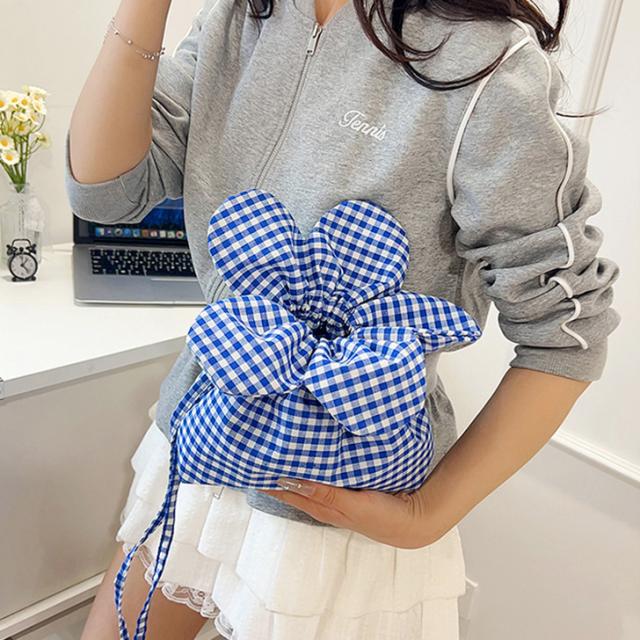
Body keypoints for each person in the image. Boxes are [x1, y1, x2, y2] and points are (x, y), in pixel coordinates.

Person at [64, 0, 621, 638]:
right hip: (199, 441)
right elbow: (104, 191)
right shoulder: (239, 18)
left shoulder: (484, 61)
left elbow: (566, 335)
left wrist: (431, 514)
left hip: (343, 499)